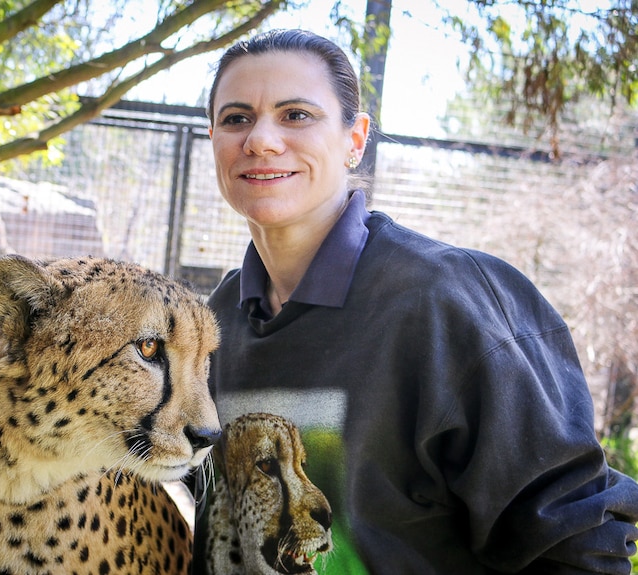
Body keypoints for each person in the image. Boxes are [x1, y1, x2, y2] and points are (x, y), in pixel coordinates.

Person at [192, 29, 638, 574]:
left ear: (355, 139)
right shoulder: (214, 321)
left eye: (297, 115)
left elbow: (573, 541)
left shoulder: (446, 298)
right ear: (212, 136)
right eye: (237, 118)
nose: (260, 139)